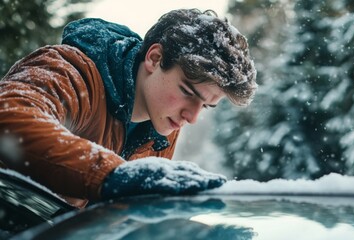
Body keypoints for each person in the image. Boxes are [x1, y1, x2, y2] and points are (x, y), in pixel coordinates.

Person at [0, 9, 257, 208]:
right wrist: (112, 174)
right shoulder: (70, 71)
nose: (192, 117)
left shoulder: (162, 130)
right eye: (188, 92)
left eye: (207, 106)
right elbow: (8, 118)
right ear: (154, 58)